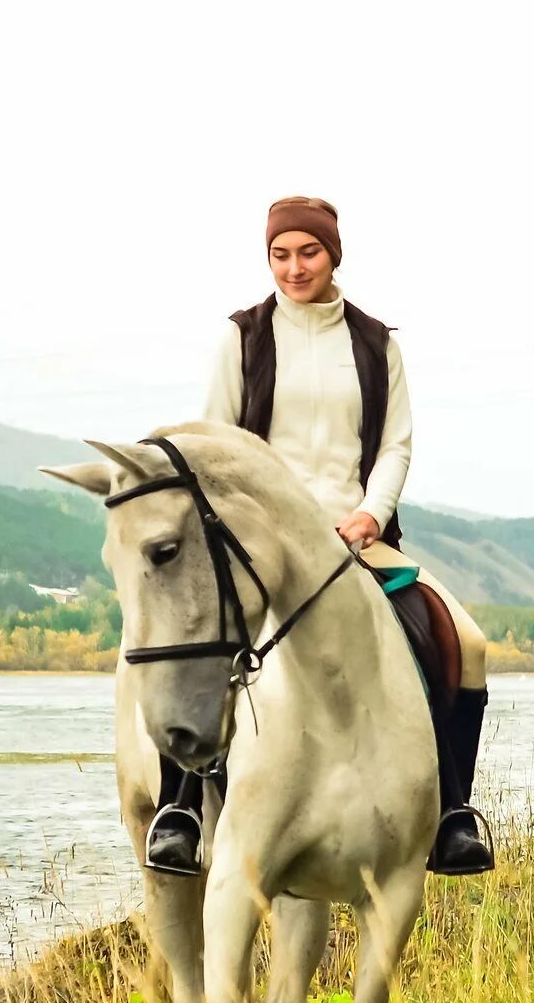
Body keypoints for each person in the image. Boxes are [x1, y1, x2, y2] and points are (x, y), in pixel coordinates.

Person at [138, 194, 495, 878]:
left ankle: (452, 815)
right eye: (280, 254)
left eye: (308, 252)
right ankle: (179, 809)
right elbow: (212, 440)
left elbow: (395, 445)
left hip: (358, 536)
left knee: (468, 645)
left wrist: (369, 513)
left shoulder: (375, 343)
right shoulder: (241, 338)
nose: (294, 267)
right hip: (258, 541)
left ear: (334, 254)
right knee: (201, 639)